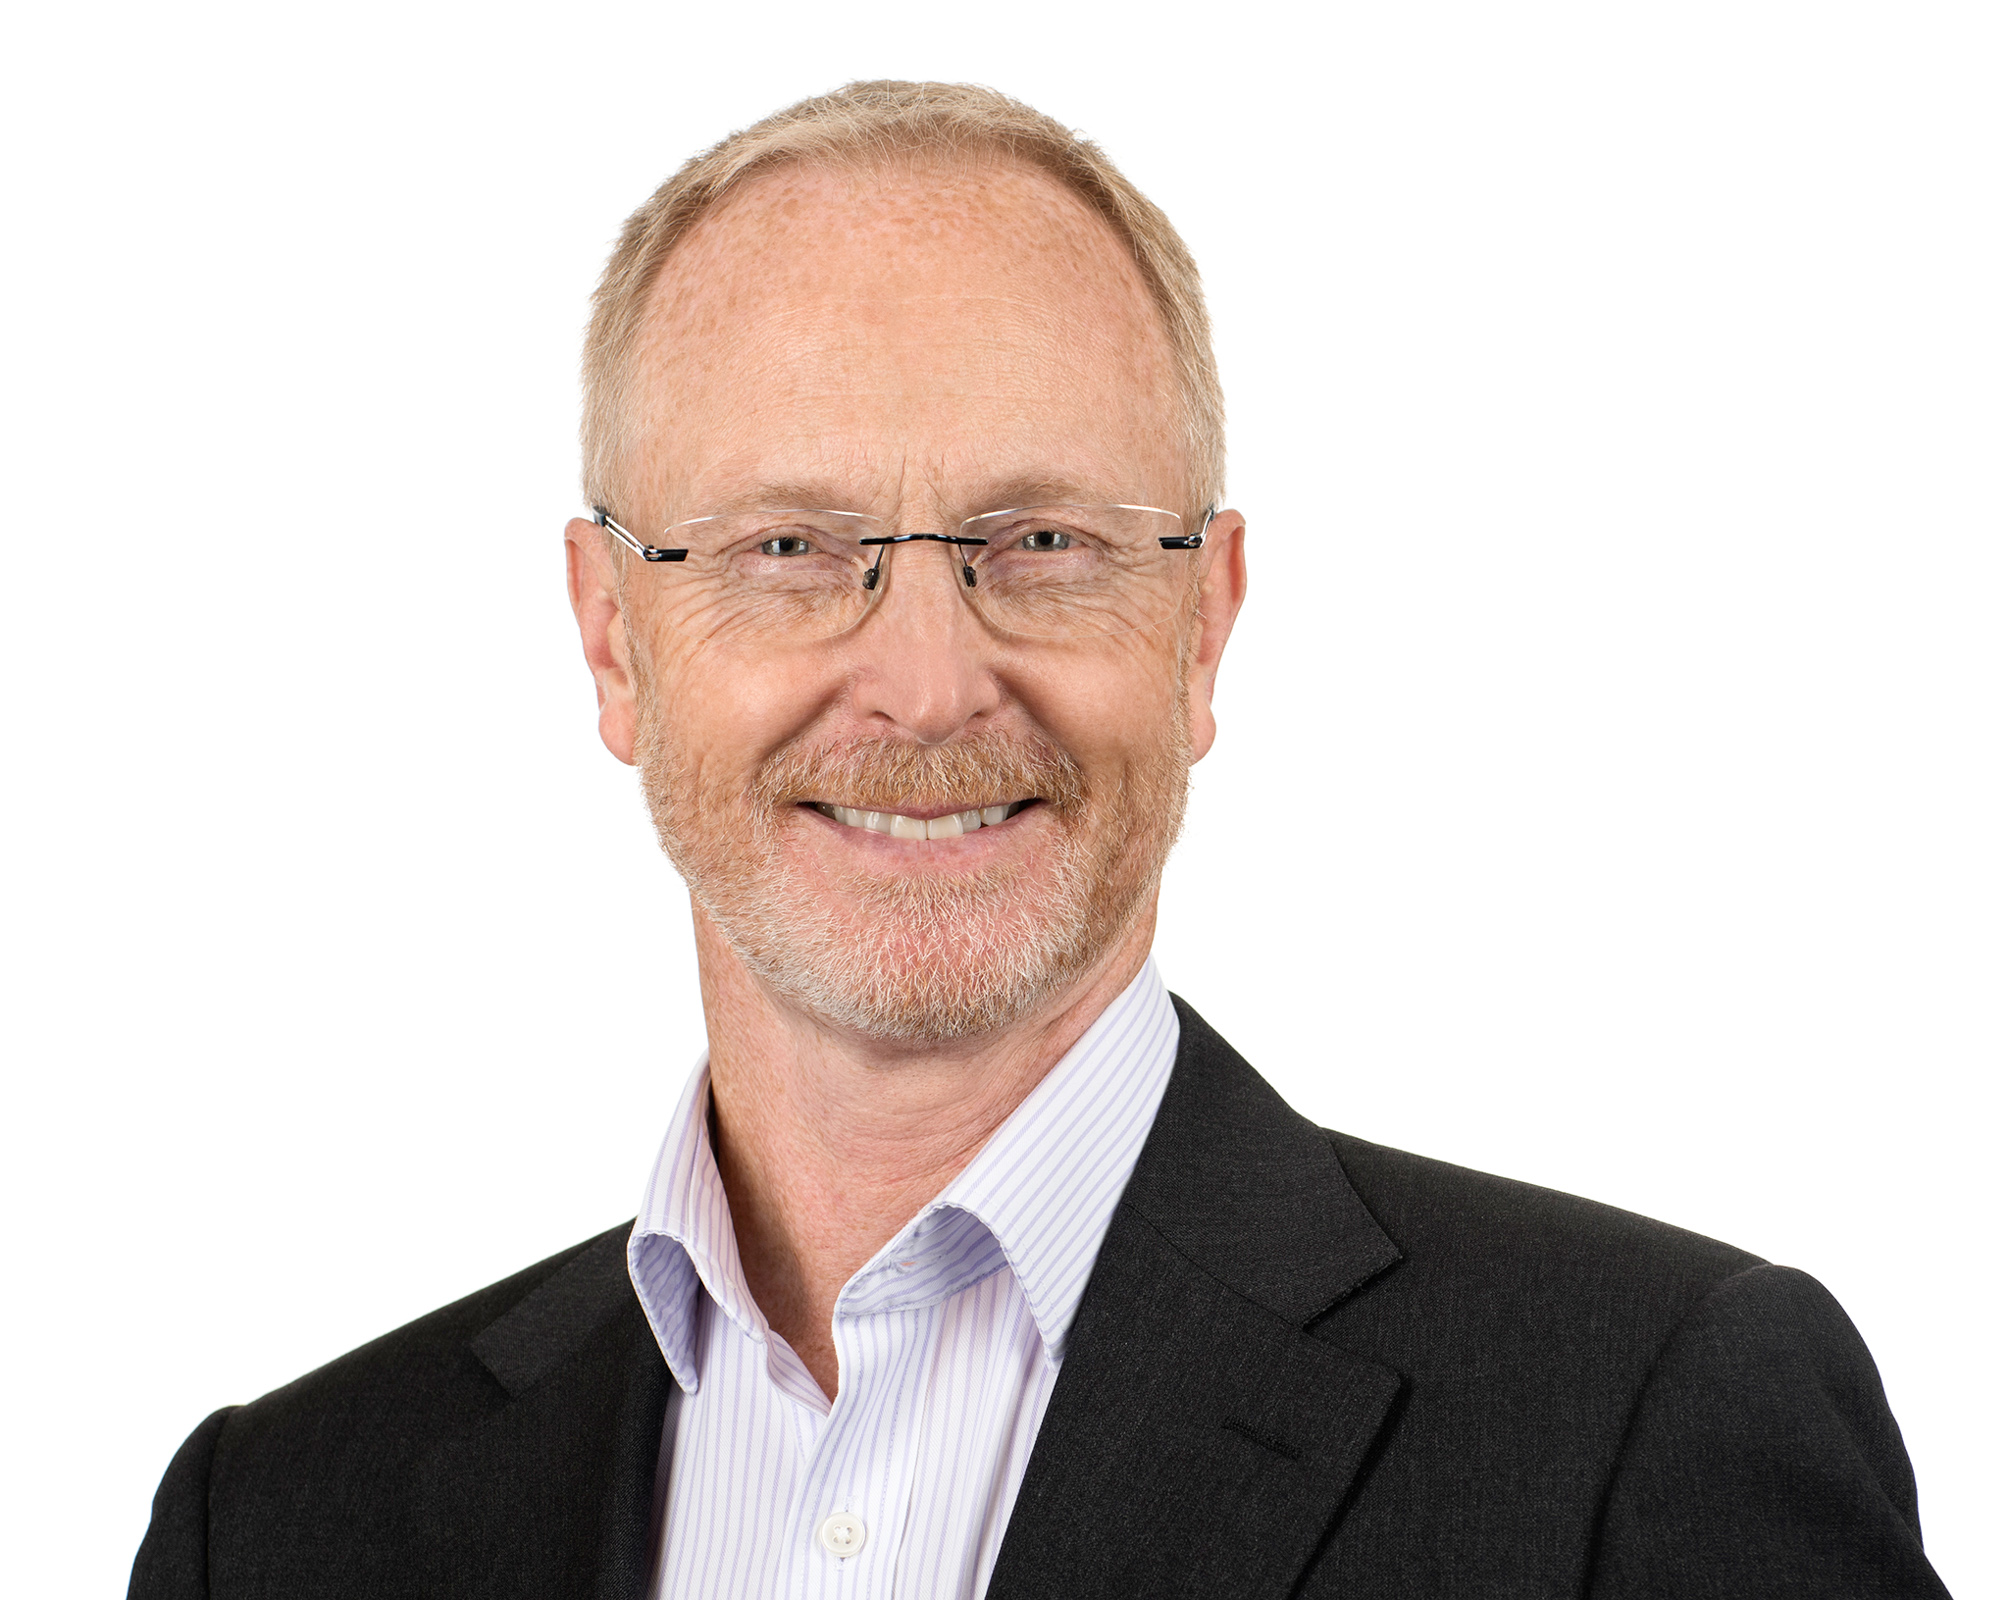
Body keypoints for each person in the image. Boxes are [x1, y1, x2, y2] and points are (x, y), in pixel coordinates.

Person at [128, 80, 1951, 1600]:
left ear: (1202, 626)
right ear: (613, 640)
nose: (926, 685)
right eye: (788, 549)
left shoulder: (1641, 1425)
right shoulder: (278, 1528)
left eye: (1046, 545)